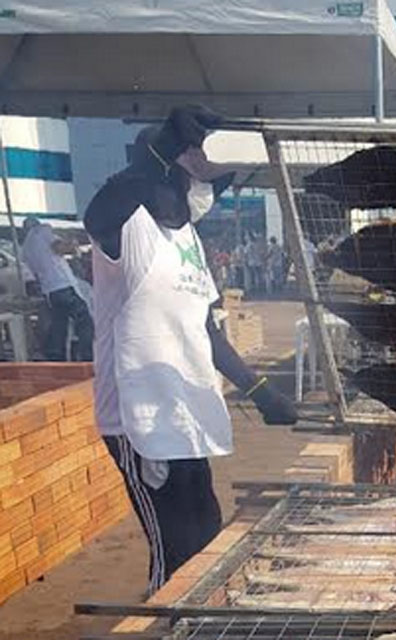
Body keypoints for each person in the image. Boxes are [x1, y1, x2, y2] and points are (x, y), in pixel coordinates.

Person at [83, 106, 298, 595]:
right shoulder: (126, 231)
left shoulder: (188, 240)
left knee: (205, 533)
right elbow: (101, 210)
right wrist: (156, 155)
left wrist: (261, 391)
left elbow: (206, 329)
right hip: (140, 420)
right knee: (174, 552)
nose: (198, 193)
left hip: (185, 416)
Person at [20, 217, 93, 361]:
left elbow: (35, 273)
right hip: (63, 284)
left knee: (60, 324)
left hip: (50, 291)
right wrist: (71, 244)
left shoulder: (26, 249)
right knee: (84, 319)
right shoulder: (42, 231)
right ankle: (87, 356)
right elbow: (58, 248)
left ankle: (56, 357)